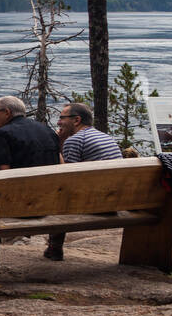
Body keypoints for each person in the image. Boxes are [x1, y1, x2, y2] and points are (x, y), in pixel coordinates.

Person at [0, 95, 62, 275]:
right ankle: (55, 248)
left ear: (7, 112)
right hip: (50, 202)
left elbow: (3, 175)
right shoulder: (48, 130)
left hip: (20, 206)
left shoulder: (3, 134)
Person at [45, 102, 123, 260]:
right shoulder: (105, 136)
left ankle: (55, 248)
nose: (59, 122)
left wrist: (58, 144)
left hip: (97, 204)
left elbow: (68, 180)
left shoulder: (75, 141)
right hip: (117, 200)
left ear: (76, 120)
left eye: (62, 118)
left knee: (59, 196)